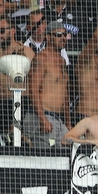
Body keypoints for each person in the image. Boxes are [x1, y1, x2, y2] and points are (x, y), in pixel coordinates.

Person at [24, 20, 71, 148]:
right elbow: (33, 90)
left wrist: (68, 122)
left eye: (64, 35)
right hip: (42, 116)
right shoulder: (41, 58)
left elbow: (65, 93)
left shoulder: (62, 61)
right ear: (48, 37)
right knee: (44, 162)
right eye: (58, 35)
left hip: (59, 120)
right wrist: (42, 119)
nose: (63, 38)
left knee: (67, 155)